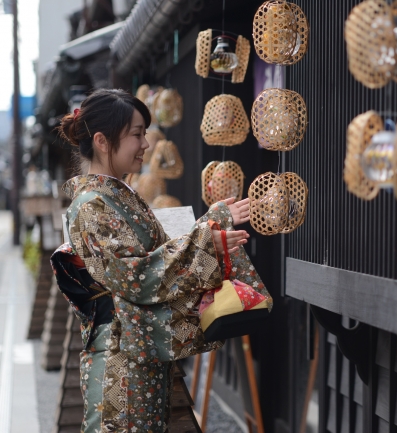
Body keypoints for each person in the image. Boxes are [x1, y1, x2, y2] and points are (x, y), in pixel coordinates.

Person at [50, 89, 271, 432]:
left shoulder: (116, 196)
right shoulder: (93, 204)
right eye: (137, 135)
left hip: (138, 352)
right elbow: (135, 276)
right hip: (120, 359)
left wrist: (209, 232)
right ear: (102, 141)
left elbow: (158, 259)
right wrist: (204, 241)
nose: (146, 144)